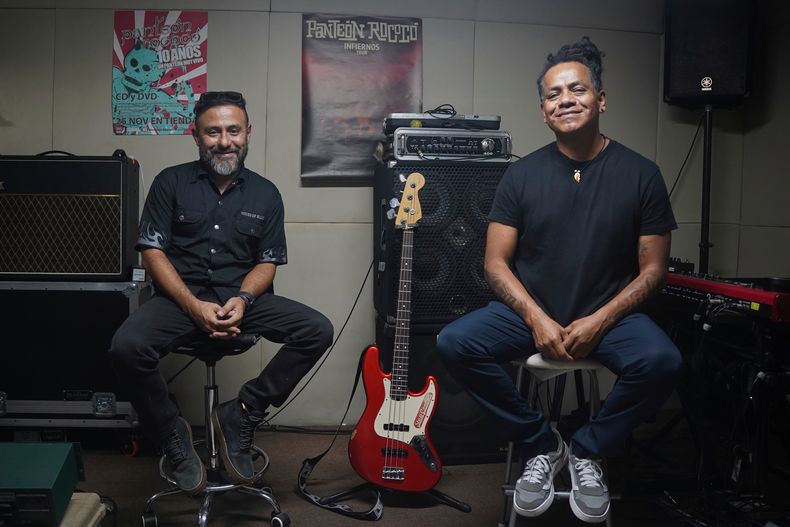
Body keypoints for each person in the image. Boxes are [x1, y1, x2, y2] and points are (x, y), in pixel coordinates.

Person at [435, 37, 681, 523]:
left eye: (577, 89)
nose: (565, 99)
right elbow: (495, 264)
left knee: (663, 361)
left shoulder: (642, 175)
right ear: (544, 112)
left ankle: (588, 449)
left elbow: (654, 269)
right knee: (453, 343)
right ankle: (541, 442)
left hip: (608, 315)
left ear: (601, 100)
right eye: (553, 94)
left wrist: (599, 319)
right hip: (532, 312)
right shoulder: (520, 176)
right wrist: (537, 318)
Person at [109, 91, 334, 494]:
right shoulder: (169, 182)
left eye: (233, 131)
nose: (224, 141)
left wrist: (244, 300)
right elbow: (152, 252)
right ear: (195, 135)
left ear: (248, 134)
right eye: (213, 132)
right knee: (126, 347)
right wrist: (194, 306)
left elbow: (267, 261)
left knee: (316, 329)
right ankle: (170, 432)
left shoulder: (266, 194)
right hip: (180, 299)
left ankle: (243, 411)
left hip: (241, 300)